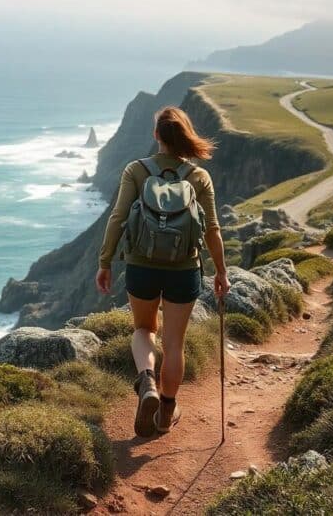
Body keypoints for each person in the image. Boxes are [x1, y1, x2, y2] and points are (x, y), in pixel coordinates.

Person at [95, 106, 231, 437]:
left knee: (143, 330)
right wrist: (221, 272)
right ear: (186, 135)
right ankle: (166, 414)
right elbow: (212, 228)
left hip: (141, 265)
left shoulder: (136, 170)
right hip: (183, 270)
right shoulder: (198, 177)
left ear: (156, 135)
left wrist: (105, 261)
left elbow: (117, 217)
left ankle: (147, 383)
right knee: (174, 344)